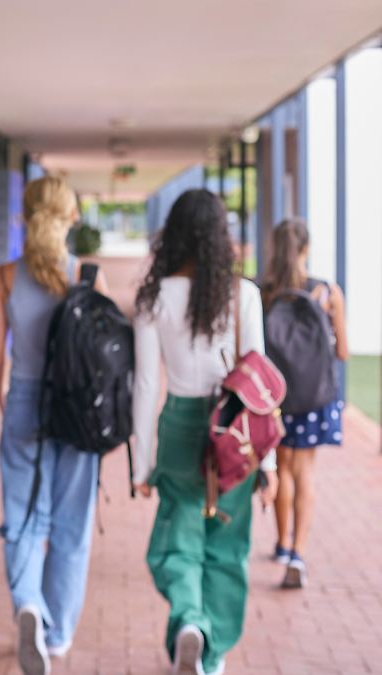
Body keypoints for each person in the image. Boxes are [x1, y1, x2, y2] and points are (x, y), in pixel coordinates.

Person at [131, 189, 278, 675]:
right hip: (234, 432)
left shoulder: (154, 297)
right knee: (228, 545)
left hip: (178, 425)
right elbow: (258, 387)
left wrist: (142, 464)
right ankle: (209, 654)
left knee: (179, 537)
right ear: (221, 237)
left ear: (173, 235)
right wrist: (269, 464)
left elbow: (146, 385)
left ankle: (190, 622)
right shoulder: (245, 296)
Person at [0, 177, 108, 675]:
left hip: (25, 406)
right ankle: (55, 633)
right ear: (70, 218)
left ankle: (29, 606)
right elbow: (107, 359)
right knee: (71, 525)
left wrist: (9, 404)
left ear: (27, 215)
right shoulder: (86, 275)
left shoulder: (7, 277)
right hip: (78, 414)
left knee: (23, 519)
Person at [261, 218, 348, 589]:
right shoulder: (327, 292)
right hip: (314, 399)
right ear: (306, 249)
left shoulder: (264, 292)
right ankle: (298, 552)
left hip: (275, 398)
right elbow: (342, 350)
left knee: (281, 468)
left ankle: (280, 543)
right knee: (305, 473)